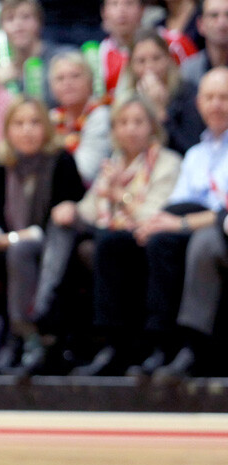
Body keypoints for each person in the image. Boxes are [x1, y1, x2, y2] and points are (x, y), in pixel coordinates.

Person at [0, 99, 86, 375]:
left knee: (20, 250)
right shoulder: (4, 164)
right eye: (19, 123)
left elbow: (58, 221)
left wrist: (7, 240)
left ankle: (24, 341)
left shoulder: (61, 161)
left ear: (47, 129)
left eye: (35, 123)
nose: (27, 130)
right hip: (13, 240)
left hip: (51, 246)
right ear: (8, 130)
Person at [67, 98, 183, 376]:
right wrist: (70, 209)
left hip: (151, 240)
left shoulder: (167, 162)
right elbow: (89, 209)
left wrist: (120, 194)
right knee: (74, 238)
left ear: (152, 128)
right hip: (116, 240)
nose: (130, 129)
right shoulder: (113, 164)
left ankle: (127, 345)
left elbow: (155, 214)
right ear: (114, 131)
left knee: (109, 244)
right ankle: (64, 341)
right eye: (123, 123)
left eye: (138, 122)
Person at [128, 68, 228, 377]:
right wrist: (155, 222)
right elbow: (177, 207)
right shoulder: (195, 154)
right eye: (210, 97)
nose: (216, 105)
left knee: (201, 241)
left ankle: (194, 347)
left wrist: (180, 225)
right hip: (197, 223)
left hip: (219, 230)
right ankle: (159, 345)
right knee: (153, 241)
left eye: (224, 97)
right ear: (198, 103)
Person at [124, 29, 204, 155]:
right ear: (131, 65)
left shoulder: (187, 93)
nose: (149, 67)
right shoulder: (128, 97)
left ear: (168, 59)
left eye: (156, 58)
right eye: (141, 61)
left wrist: (161, 113)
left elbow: (189, 149)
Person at [47, 52, 110, 184]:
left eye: (75, 76)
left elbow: (86, 171)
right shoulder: (50, 118)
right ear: (51, 87)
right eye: (60, 78)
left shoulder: (101, 116)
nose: (67, 83)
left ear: (90, 81)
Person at [181, 0, 228, 87]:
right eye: (214, 16)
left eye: (227, 15)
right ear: (200, 25)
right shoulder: (189, 71)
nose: (222, 23)